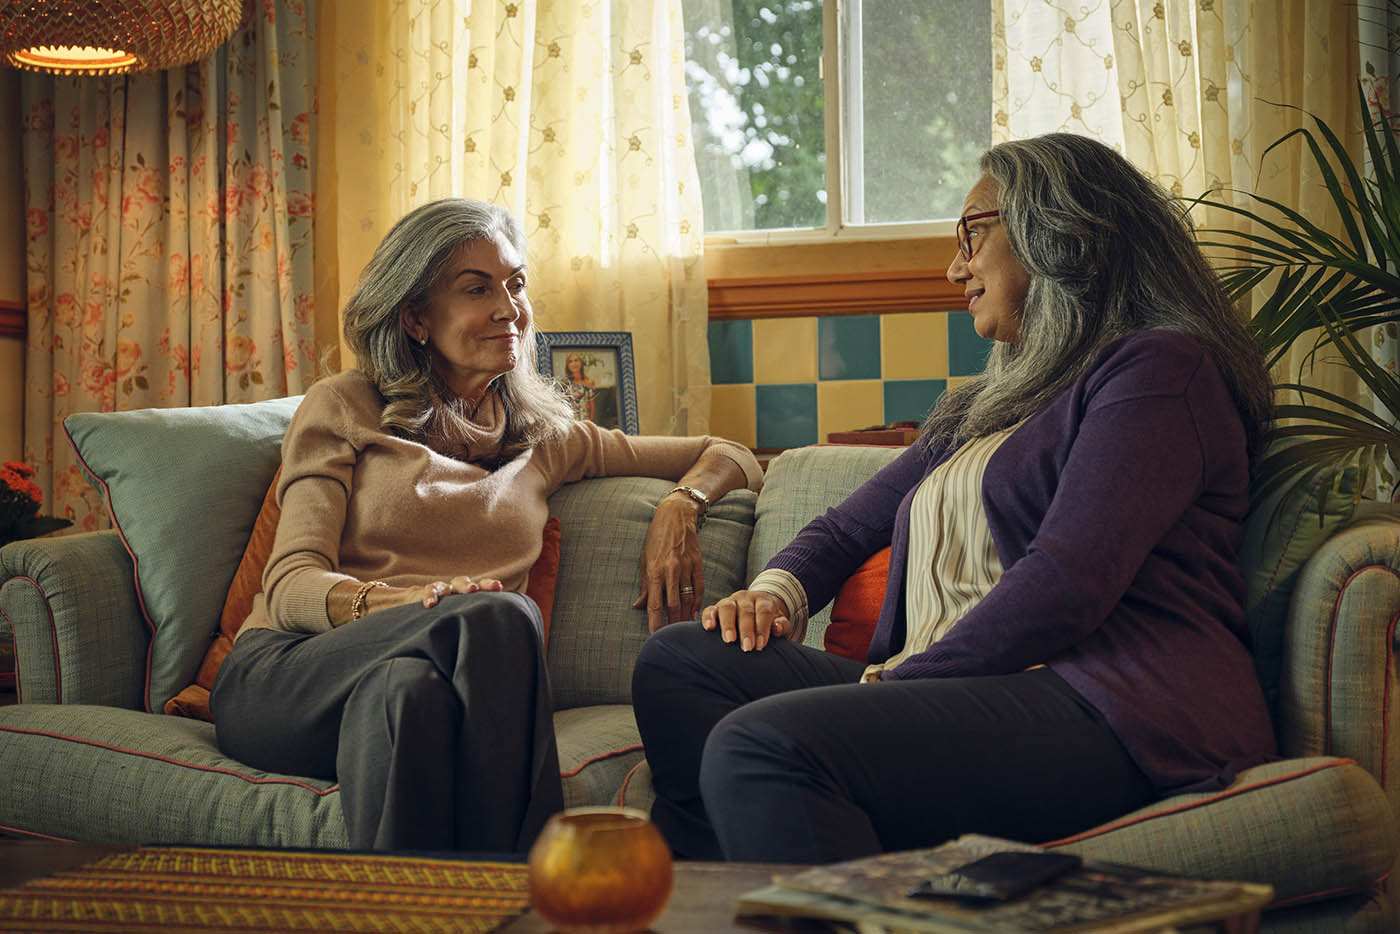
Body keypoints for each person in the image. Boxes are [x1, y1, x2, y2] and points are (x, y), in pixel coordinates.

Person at [631, 133, 1278, 863]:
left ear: (1061, 232)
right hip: (952, 686)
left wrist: (897, 687)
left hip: (1106, 707)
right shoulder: (995, 400)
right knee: (680, 663)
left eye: (973, 232)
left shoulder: (1158, 370)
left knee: (760, 744)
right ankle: (726, 900)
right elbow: (850, 527)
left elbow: (1066, 584)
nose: (953, 268)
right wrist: (774, 595)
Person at [209, 197, 762, 853]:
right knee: (503, 616)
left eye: (516, 283)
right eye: (477, 289)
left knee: (413, 694)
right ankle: (542, 887)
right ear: (416, 316)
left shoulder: (548, 440)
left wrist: (682, 505)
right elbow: (291, 585)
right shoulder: (345, 406)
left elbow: (733, 455)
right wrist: (408, 606)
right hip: (289, 675)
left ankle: (425, 912)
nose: (510, 308)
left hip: (417, 683)